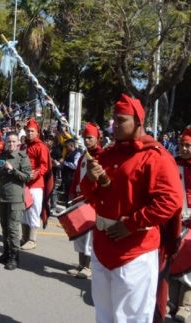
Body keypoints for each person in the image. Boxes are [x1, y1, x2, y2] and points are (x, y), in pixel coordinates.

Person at [80, 94, 182, 323]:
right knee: (104, 315)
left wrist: (131, 224)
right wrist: (90, 179)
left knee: (132, 318)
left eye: (120, 120)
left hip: (134, 252)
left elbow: (170, 201)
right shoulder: (107, 154)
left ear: (138, 122)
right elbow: (90, 196)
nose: (114, 125)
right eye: (113, 119)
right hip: (102, 247)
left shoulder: (156, 156)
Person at [66, 122, 103, 279]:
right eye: (85, 138)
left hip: (92, 202)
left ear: (97, 139)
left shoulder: (101, 156)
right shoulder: (83, 156)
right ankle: (81, 264)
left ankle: (88, 267)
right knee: (79, 234)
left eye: (90, 138)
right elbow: (76, 178)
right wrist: (72, 194)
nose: (87, 141)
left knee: (89, 236)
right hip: (79, 200)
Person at [0, 132, 32, 270]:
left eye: (14, 141)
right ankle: (6, 253)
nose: (11, 144)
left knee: (13, 229)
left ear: (18, 143)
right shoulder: (2, 156)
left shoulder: (22, 157)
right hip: (3, 197)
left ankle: (14, 257)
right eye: (9, 141)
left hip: (15, 199)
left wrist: (12, 169)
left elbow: (27, 177)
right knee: (4, 228)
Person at [169, 128, 191, 321]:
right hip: (175, 220)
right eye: (182, 145)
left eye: (188, 146)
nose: (184, 148)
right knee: (173, 262)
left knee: (189, 266)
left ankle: (186, 305)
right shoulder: (173, 165)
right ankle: (173, 303)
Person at [20, 118, 50, 250]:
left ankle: (32, 239)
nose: (29, 133)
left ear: (37, 132)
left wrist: (35, 173)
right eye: (28, 131)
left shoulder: (41, 147)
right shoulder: (24, 146)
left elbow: (44, 166)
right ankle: (24, 237)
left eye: (32, 131)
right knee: (23, 211)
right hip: (23, 183)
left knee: (33, 211)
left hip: (36, 184)